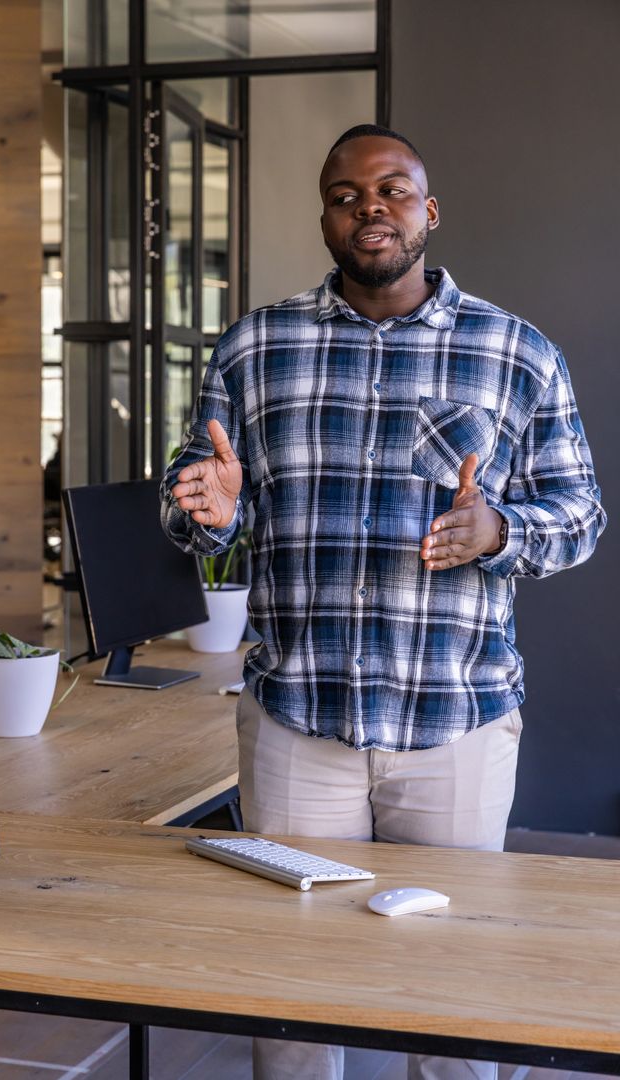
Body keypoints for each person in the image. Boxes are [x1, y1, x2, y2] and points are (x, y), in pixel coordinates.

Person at [160, 124, 606, 1080]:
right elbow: (192, 497)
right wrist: (210, 510)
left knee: (454, 1000)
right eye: (346, 195)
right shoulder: (253, 347)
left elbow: (580, 516)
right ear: (325, 218)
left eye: (393, 189)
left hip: (454, 724)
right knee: (290, 998)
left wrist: (499, 532)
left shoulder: (516, 352)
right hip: (297, 722)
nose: (371, 207)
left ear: (428, 210)